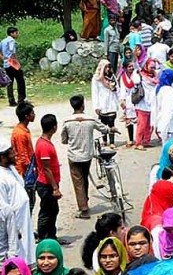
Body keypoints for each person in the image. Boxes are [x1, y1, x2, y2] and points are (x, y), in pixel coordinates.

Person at [61, 95, 111, 219]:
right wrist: (111, 129)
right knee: (84, 178)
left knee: (78, 181)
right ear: (82, 105)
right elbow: (104, 129)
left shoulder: (67, 121)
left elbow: (63, 139)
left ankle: (83, 208)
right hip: (87, 155)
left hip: (73, 156)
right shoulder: (90, 119)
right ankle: (85, 200)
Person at [0, 136, 33, 264]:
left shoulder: (11, 169)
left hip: (24, 221)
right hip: (15, 227)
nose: (15, 154)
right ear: (3, 157)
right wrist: (13, 231)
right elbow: (4, 210)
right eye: (11, 152)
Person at [33, 114, 61, 242]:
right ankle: (43, 238)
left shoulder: (44, 142)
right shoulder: (44, 145)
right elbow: (46, 168)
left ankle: (51, 237)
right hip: (46, 184)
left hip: (49, 183)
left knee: (53, 210)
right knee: (46, 212)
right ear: (54, 127)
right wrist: (55, 188)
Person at [2, 27, 25, 107]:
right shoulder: (11, 40)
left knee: (9, 82)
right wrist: (16, 59)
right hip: (13, 63)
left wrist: (4, 58)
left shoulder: (3, 41)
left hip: (6, 64)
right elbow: (12, 50)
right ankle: (21, 100)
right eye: (16, 33)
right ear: (11, 34)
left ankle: (11, 101)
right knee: (20, 81)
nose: (17, 34)